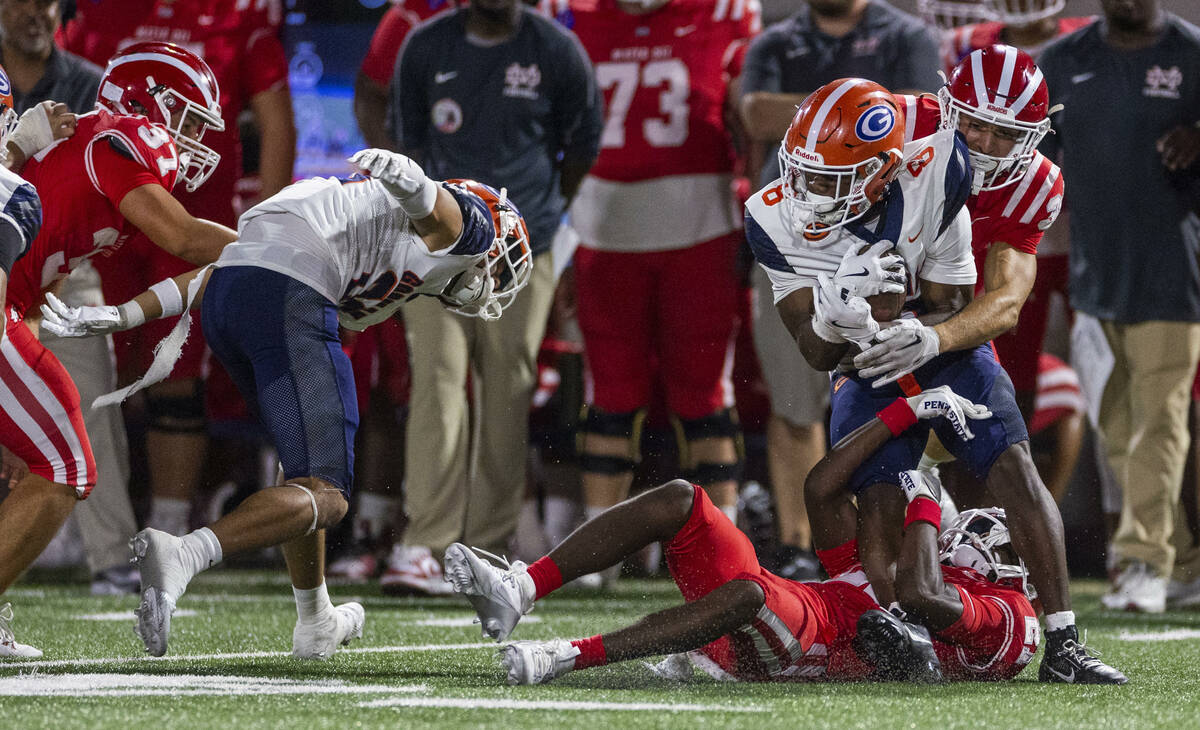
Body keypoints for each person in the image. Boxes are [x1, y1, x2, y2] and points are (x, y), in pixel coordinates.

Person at [41, 148, 534, 658]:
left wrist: (125, 314)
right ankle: (184, 552)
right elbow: (442, 213)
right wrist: (410, 178)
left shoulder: (356, 218)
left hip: (235, 299)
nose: (497, 279)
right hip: (288, 295)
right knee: (329, 493)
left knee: (301, 476)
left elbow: (228, 265)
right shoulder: (461, 223)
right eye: (503, 261)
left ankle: (315, 617)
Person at [746, 77, 1124, 683]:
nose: (808, 189)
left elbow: (954, 298)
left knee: (1014, 466)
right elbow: (816, 353)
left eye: (832, 177)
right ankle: (901, 628)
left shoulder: (941, 169)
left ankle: (1065, 642)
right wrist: (838, 314)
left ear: (883, 170)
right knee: (878, 500)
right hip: (861, 361)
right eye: (803, 169)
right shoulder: (770, 215)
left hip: (932, 339)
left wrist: (920, 331)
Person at [442, 386, 1043, 685]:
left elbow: (922, 599)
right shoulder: (891, 565)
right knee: (684, 499)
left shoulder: (1010, 614)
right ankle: (522, 586)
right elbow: (821, 489)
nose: (993, 537)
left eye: (1010, 547)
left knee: (752, 594)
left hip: (809, 649)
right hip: (790, 611)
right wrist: (906, 413)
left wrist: (925, 504)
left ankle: (566, 657)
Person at [1, 43, 232, 658]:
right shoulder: (120, 138)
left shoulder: (88, 150)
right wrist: (274, 242)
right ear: (143, 99)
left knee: (56, 457)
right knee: (67, 466)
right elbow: (182, 235)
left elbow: (41, 264)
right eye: (183, 117)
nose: (190, 138)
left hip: (9, 308)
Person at [384, 0, 602, 594]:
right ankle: (425, 542)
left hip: (526, 243)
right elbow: (407, 144)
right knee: (437, 375)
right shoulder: (425, 47)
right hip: (436, 239)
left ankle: (484, 544)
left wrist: (531, 216)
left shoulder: (557, 50)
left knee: (508, 383)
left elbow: (581, 146)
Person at [544, 0, 758, 587]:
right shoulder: (571, 15)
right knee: (609, 392)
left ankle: (727, 546)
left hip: (701, 226)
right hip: (602, 226)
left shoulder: (726, 12)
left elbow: (749, 123)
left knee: (704, 395)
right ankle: (598, 551)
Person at [62, 0, 294, 540]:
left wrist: (274, 224)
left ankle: (164, 522)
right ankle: (76, 510)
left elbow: (275, 123)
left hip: (194, 216)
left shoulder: (237, 15)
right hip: (112, 216)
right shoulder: (97, 15)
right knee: (91, 369)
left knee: (173, 369)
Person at [736, 0, 941, 579]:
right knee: (795, 395)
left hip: (887, 239)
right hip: (800, 238)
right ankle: (801, 546)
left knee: (900, 388)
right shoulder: (774, 44)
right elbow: (753, 115)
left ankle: (914, 534)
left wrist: (818, 115)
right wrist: (848, 115)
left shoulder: (907, 36)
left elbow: (923, 128)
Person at [1037, 0, 1200, 613]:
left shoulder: (1193, 53)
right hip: (1094, 278)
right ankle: (1183, 564)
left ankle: (1142, 563)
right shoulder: (1062, 60)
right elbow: (1030, 155)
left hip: (1174, 275)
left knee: (1160, 421)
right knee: (1118, 431)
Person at [0, 0, 140, 597]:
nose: (36, 10)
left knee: (80, 420)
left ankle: (110, 553)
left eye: (47, 0)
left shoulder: (87, 83)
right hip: (11, 270)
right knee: (61, 457)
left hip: (54, 267)